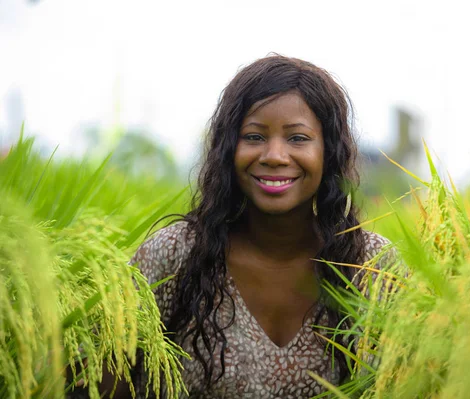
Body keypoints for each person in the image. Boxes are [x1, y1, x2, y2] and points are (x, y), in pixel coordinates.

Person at [131, 55, 394, 398]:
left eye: (298, 138)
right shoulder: (173, 256)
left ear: (328, 152)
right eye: (254, 136)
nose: (274, 155)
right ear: (228, 149)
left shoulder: (374, 268)